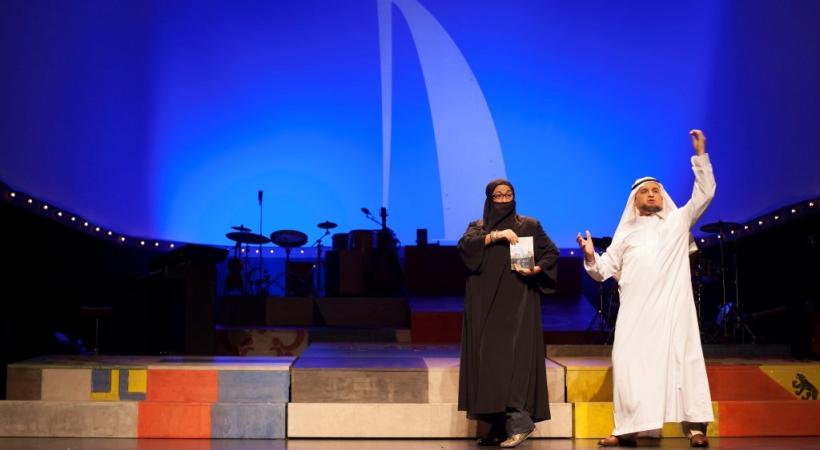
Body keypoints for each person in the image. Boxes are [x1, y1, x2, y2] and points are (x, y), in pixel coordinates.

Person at [576, 130, 716, 448]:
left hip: (674, 311)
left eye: (656, 191)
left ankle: (695, 428)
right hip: (636, 315)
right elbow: (601, 272)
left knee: (685, 365)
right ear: (635, 200)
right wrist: (590, 256)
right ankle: (627, 429)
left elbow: (705, 194)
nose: (652, 195)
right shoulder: (625, 235)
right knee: (627, 365)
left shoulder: (678, 222)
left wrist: (700, 156)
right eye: (645, 192)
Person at [458, 179, 560, 448]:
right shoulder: (478, 227)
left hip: (518, 303)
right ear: (489, 199)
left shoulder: (528, 225)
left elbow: (551, 253)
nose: (504, 200)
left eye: (508, 195)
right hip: (484, 304)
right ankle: (497, 427)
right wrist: (496, 236)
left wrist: (536, 269)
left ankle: (519, 423)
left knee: (511, 361)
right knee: (487, 361)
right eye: (498, 196)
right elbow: (465, 248)